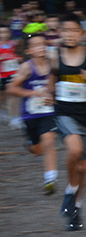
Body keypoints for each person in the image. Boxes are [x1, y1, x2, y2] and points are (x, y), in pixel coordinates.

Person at [48, 12, 86, 231]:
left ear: (82, 33)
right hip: (64, 113)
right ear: (59, 33)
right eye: (65, 30)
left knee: (83, 165)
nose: (70, 34)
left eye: (74, 30)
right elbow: (51, 83)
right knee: (74, 148)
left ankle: (77, 207)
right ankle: (70, 191)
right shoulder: (54, 56)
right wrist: (47, 95)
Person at [6, 33, 58, 194]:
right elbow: (12, 89)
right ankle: (30, 144)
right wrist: (32, 94)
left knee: (49, 142)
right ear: (29, 51)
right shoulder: (27, 67)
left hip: (49, 112)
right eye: (36, 45)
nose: (41, 47)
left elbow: (58, 89)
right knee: (38, 149)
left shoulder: (53, 66)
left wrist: (53, 99)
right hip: (30, 115)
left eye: (43, 44)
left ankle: (50, 179)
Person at [0, 24, 22, 125]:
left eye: (5, 32)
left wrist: (17, 58)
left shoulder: (12, 44)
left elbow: (14, 55)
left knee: (13, 94)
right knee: (2, 96)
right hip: (1, 75)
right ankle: (4, 112)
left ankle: (14, 117)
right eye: (1, 32)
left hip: (12, 73)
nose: (3, 34)